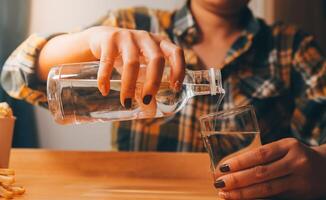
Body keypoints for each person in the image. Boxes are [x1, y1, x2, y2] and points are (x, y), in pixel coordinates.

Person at [1, 0, 326, 199]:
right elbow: (13, 74)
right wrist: (88, 40)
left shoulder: (292, 47)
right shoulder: (132, 25)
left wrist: (320, 166)